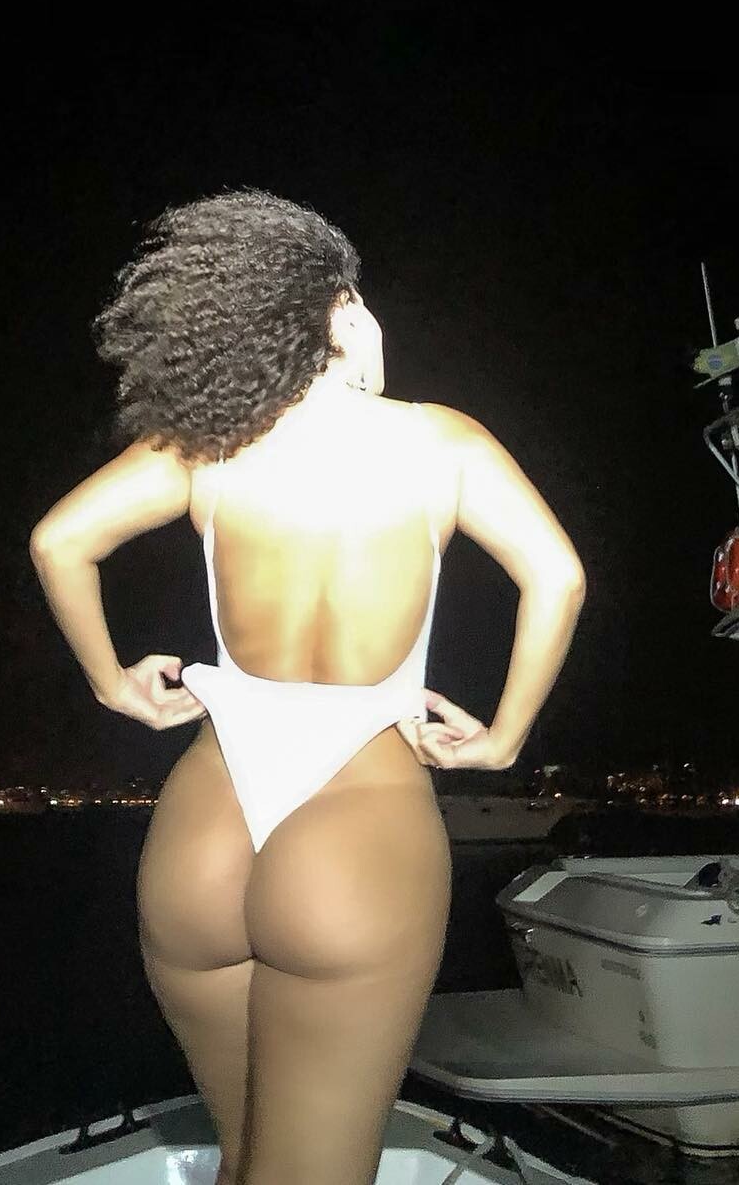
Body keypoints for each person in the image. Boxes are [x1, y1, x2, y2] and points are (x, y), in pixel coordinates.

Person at [29, 189, 586, 1185]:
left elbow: (59, 540)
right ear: (340, 311)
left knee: (247, 1157)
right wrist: (503, 736)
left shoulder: (205, 444)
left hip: (202, 833)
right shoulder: (442, 441)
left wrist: (116, 683)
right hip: (351, 833)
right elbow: (559, 576)